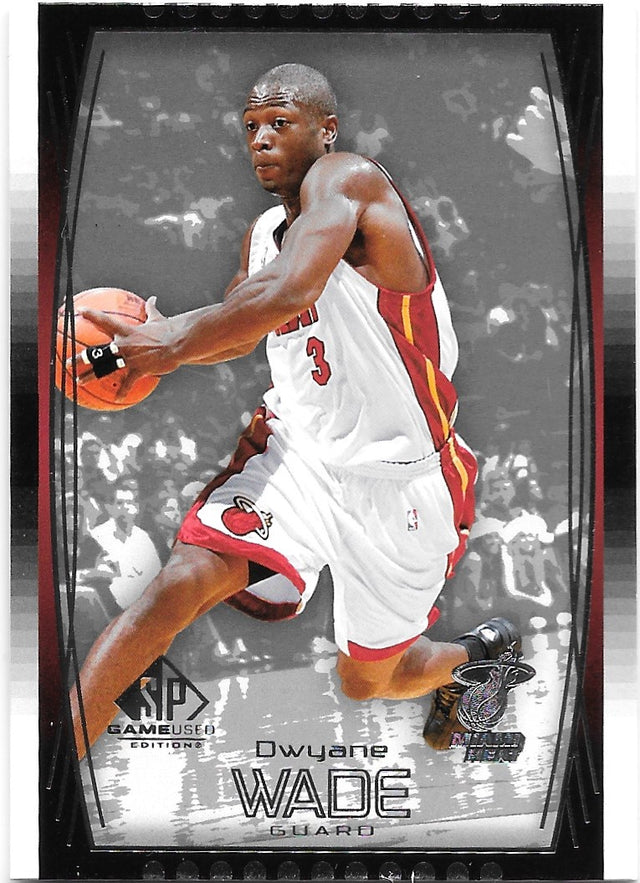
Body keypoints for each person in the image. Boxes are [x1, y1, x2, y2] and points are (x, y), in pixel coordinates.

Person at [70, 63, 523, 758]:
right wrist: (150, 345)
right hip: (298, 455)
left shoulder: (350, 181)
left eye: (279, 123)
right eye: (251, 125)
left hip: (401, 478)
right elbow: (240, 330)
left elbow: (288, 291)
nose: (261, 138)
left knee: (370, 682)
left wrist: (174, 341)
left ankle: (478, 655)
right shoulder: (263, 233)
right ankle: (52, 762)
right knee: (177, 587)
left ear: (326, 129)